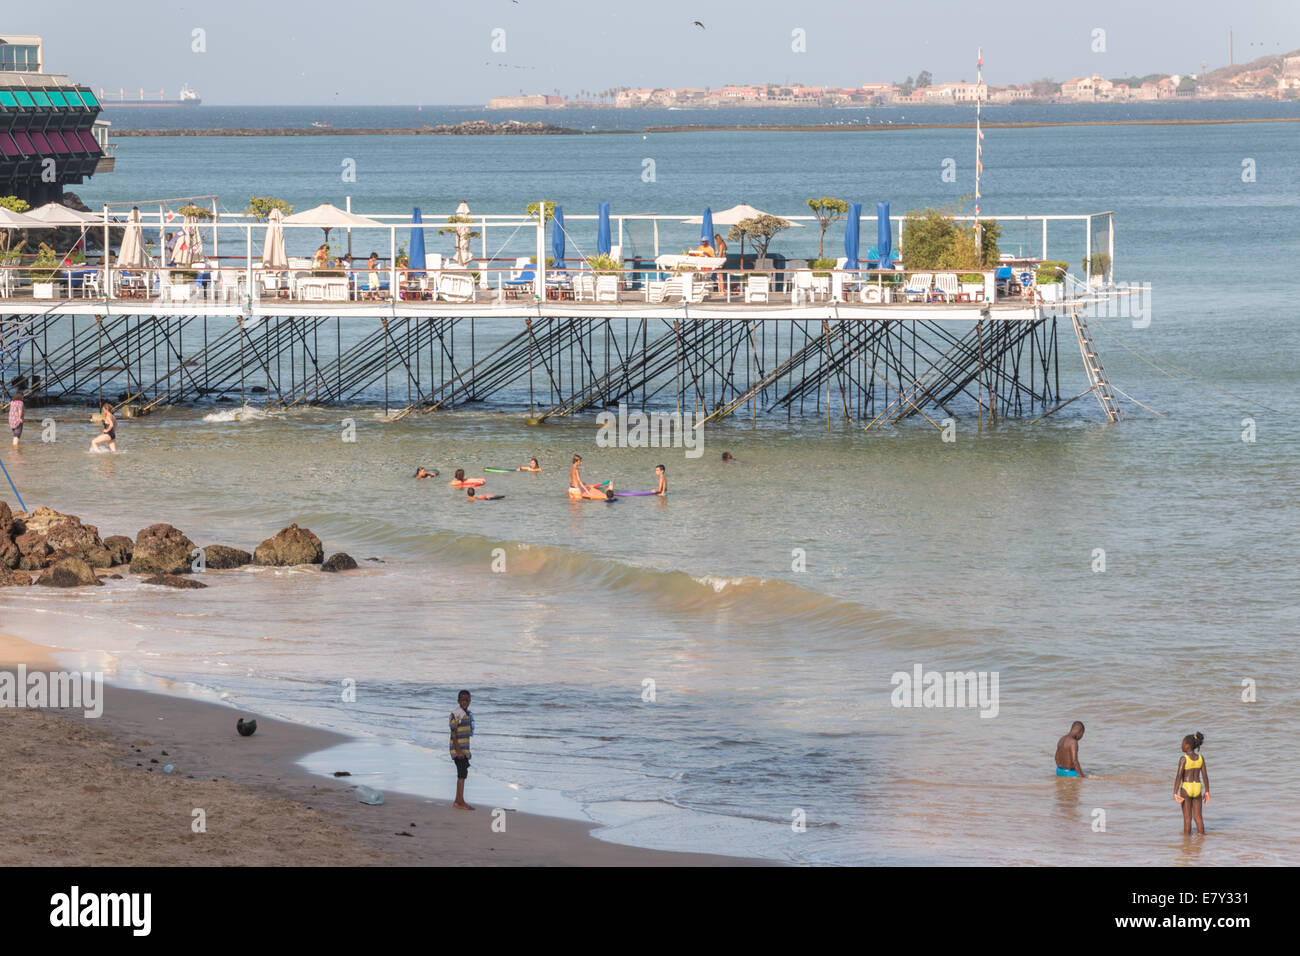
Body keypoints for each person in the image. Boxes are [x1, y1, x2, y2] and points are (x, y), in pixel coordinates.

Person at [1174, 731, 1209, 835]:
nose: (1182, 745)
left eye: (1183, 743)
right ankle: (1201, 837)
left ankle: (1187, 842)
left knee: (1187, 819)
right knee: (1198, 817)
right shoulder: (1201, 758)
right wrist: (1207, 791)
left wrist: (1175, 792)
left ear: (1188, 746)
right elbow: (1205, 776)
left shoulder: (1183, 759)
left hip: (1186, 787)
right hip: (1197, 787)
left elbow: (1179, 776)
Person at [449, 690, 475, 810]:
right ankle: (460, 802)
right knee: (461, 775)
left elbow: (466, 735)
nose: (465, 702)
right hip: (457, 750)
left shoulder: (468, 714)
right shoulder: (456, 714)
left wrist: (467, 752)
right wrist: (458, 751)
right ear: (458, 701)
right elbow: (453, 734)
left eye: (467, 700)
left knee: (463, 775)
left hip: (464, 750)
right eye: (462, 700)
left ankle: (458, 800)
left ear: (469, 701)